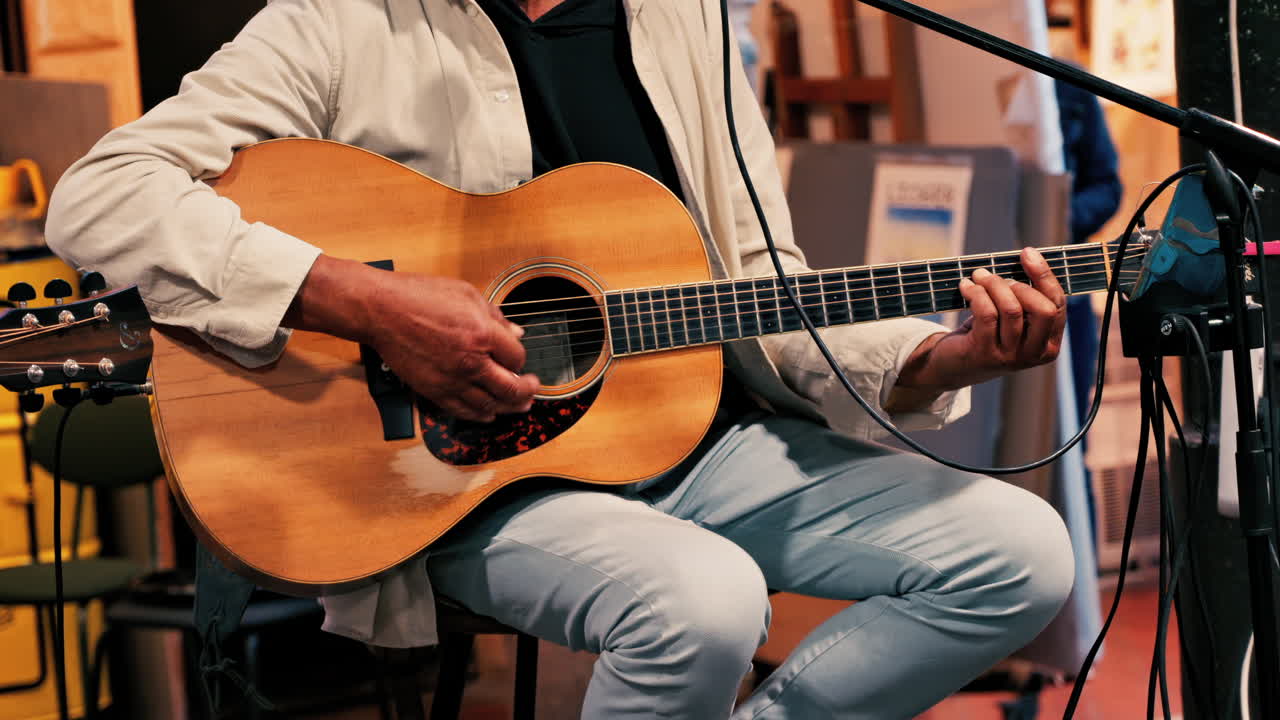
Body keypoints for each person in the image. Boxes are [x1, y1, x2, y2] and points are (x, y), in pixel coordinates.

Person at [46, 0, 1076, 717]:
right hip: (461, 477)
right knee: (702, 602)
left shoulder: (689, 28)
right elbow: (100, 197)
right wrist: (365, 302)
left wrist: (936, 359)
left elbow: (764, 282)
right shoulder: (344, 19)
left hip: (700, 442)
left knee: (1019, 556)